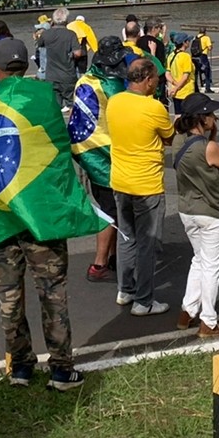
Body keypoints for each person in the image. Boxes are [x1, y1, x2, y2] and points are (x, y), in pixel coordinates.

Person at [0, 36, 105, 390]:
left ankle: (21, 367)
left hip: (0, 218)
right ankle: (61, 368)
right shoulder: (45, 97)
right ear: (27, 64)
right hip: (42, 217)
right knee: (53, 293)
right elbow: (60, 144)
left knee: (9, 299)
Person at [107, 56, 175, 315]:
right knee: (148, 244)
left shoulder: (115, 102)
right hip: (146, 184)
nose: (158, 84)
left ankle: (125, 289)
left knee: (126, 238)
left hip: (120, 180)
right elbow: (168, 137)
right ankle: (144, 301)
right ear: (147, 80)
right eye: (156, 79)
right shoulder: (154, 107)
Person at [173, 93, 219, 337]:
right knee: (212, 266)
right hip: (212, 211)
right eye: (210, 114)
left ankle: (187, 310)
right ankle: (208, 321)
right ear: (202, 118)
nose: (214, 117)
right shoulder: (210, 147)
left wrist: (208, 133)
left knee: (198, 260)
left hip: (187, 210)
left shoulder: (180, 143)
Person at [71, 36, 128, 283]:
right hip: (104, 154)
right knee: (111, 211)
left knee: (107, 204)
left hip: (84, 151)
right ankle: (100, 262)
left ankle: (115, 256)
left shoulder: (85, 79)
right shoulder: (112, 85)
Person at [35, 6, 83, 108]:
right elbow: (78, 53)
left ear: (53, 20)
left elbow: (39, 44)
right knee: (72, 105)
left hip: (51, 76)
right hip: (68, 75)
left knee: (55, 106)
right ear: (66, 21)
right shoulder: (71, 34)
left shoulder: (46, 34)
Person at [167, 33, 196, 114]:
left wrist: (174, 85)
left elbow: (167, 74)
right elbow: (185, 76)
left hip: (175, 92)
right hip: (186, 91)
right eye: (188, 41)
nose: (189, 42)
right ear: (184, 42)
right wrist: (178, 87)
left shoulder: (171, 55)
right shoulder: (185, 56)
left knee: (178, 114)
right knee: (188, 116)